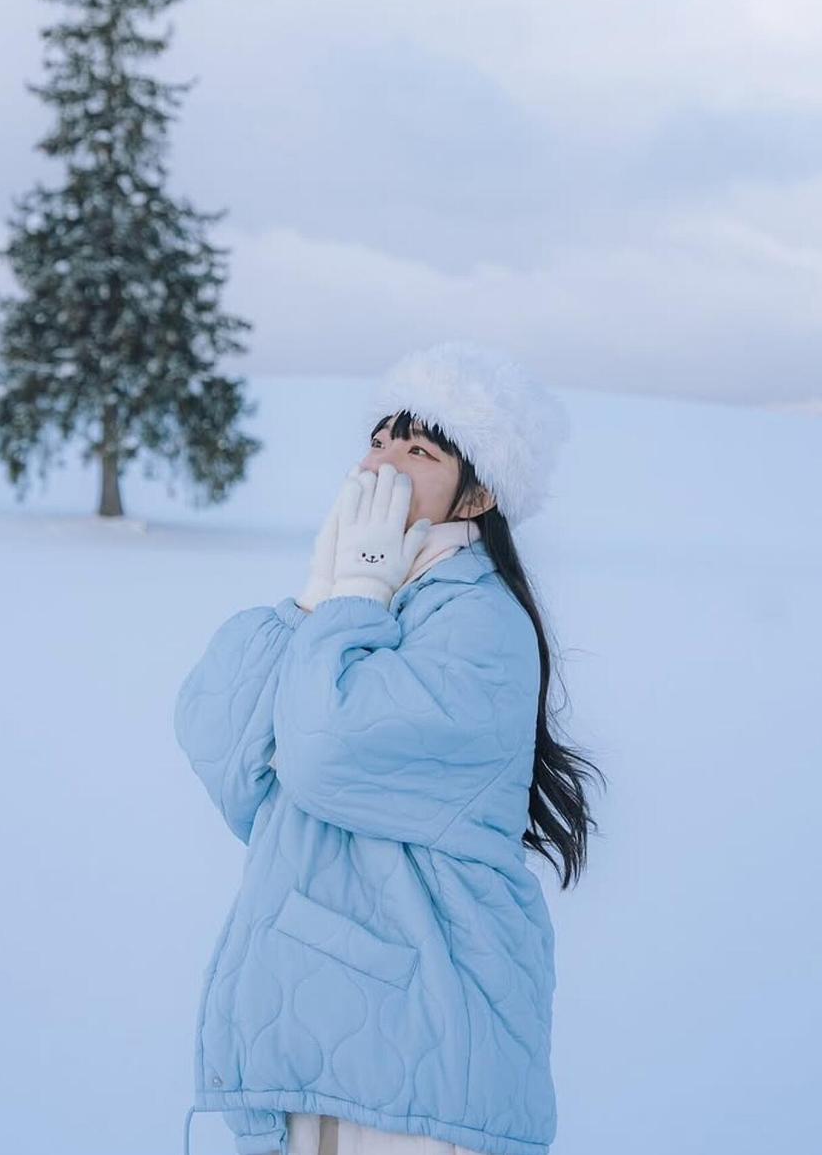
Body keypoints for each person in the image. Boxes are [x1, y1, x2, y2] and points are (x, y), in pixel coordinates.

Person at [174, 340, 603, 1155]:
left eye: (419, 451)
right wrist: (319, 595)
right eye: (379, 439)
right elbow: (226, 758)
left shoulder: (481, 623)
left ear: (479, 494)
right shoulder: (363, 602)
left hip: (418, 1042)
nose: (382, 464)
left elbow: (322, 753)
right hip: (321, 1031)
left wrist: (356, 593)